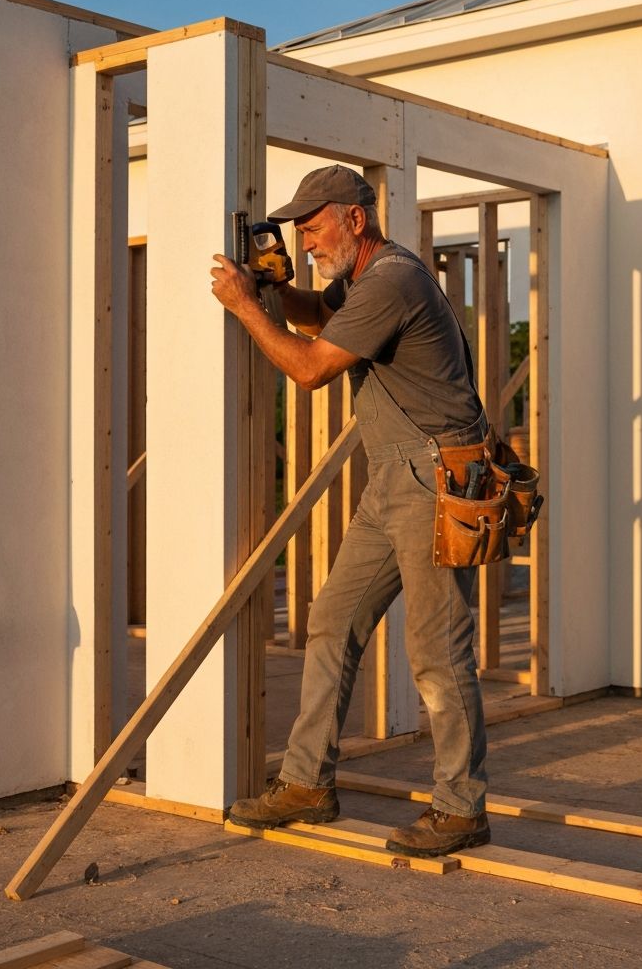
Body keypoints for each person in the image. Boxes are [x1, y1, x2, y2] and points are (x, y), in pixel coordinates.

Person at [209, 165, 490, 857]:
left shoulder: (393, 280)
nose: (303, 240)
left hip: (435, 481)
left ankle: (461, 811)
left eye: (312, 227)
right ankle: (307, 784)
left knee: (436, 651)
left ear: (354, 220)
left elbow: (308, 369)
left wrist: (246, 305)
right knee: (332, 619)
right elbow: (319, 315)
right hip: (395, 478)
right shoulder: (365, 282)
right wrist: (276, 287)